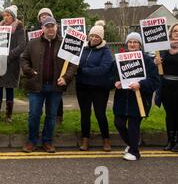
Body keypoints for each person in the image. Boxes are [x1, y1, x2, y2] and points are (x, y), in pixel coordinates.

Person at [20, 16, 77, 153]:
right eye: (47, 26)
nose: (50, 29)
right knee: (34, 114)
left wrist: (66, 77)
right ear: (42, 28)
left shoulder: (65, 43)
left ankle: (47, 142)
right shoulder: (33, 43)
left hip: (55, 87)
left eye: (52, 26)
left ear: (57, 27)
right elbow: (24, 59)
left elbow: (73, 63)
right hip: (36, 86)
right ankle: (31, 142)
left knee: (51, 116)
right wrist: (28, 71)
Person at [114, 32, 160, 161]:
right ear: (127, 43)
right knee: (119, 123)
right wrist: (116, 82)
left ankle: (135, 152)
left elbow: (155, 81)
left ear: (140, 44)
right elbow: (113, 75)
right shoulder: (121, 58)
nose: (132, 44)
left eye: (135, 42)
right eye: (130, 42)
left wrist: (140, 84)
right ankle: (132, 144)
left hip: (139, 100)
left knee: (134, 126)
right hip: (122, 99)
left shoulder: (147, 60)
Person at [75, 21, 114, 151]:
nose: (94, 38)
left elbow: (103, 69)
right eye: (92, 35)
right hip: (82, 86)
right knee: (85, 114)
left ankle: (106, 140)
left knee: (100, 114)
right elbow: (75, 62)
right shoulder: (83, 48)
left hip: (99, 88)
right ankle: (85, 140)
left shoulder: (106, 51)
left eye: (97, 36)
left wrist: (84, 70)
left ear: (101, 38)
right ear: (88, 36)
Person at [0, 5, 26, 123]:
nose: (6, 17)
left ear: (13, 16)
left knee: (9, 88)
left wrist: (8, 56)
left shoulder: (19, 27)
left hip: (11, 63)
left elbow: (21, 45)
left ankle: (9, 115)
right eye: (4, 15)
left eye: (8, 15)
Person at [154, 23, 178, 152]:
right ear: (170, 33)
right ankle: (170, 141)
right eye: (175, 31)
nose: (177, 33)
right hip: (166, 87)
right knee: (170, 114)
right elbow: (157, 66)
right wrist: (156, 62)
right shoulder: (163, 48)